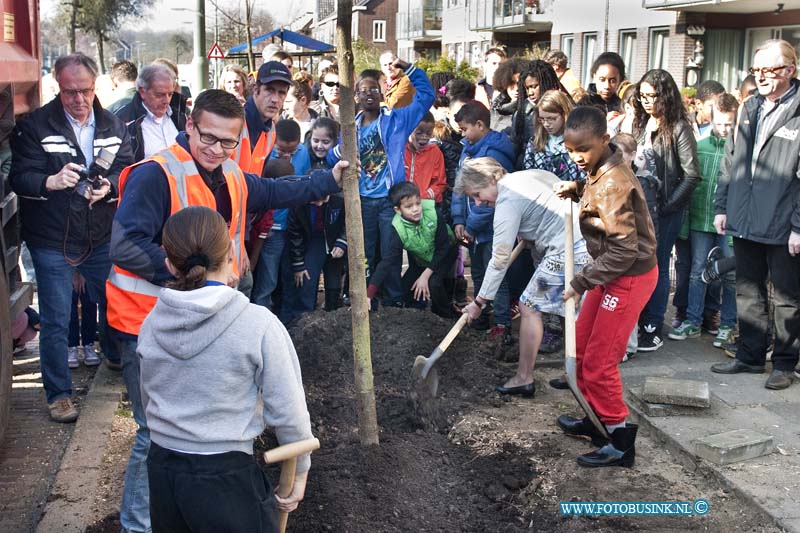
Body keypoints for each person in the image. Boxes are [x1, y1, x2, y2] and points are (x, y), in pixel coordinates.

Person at [106, 89, 347, 533]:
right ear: (191, 126)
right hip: (151, 320)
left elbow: (272, 190)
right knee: (151, 431)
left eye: (228, 142)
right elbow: (123, 245)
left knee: (188, 427)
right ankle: (138, 524)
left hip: (203, 313)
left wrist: (328, 180)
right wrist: (185, 274)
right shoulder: (156, 175)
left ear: (240, 139)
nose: (216, 149)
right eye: (208, 138)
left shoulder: (230, 174)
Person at [139, 206, 314, 532]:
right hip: (225, 480)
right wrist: (300, 472)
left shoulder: (151, 323)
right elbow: (288, 411)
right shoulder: (258, 324)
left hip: (163, 471)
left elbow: (149, 394)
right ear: (232, 253)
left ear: (168, 264)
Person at [9, 52, 132, 423]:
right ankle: (59, 395)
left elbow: (128, 168)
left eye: (85, 91)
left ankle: (113, 356)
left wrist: (108, 187)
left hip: (99, 236)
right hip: (52, 239)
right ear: (57, 87)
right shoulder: (34, 126)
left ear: (98, 87)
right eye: (70, 92)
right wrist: (49, 181)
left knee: (116, 304)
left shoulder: (114, 125)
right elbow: (19, 176)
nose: (79, 100)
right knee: (57, 318)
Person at [554, 105, 657, 468]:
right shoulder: (601, 168)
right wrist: (578, 188)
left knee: (599, 362)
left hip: (628, 276)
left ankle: (619, 438)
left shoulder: (615, 182)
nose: (576, 157)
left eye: (583, 150)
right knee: (580, 347)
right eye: (570, 150)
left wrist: (582, 281)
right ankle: (594, 418)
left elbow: (626, 250)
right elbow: (598, 192)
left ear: (604, 140)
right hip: (610, 271)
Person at [711, 39, 800, 390]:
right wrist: (722, 207)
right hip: (744, 217)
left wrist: (798, 227)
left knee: (786, 297)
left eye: (769, 70)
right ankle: (749, 356)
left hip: (783, 221)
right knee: (747, 289)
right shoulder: (749, 107)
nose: (760, 77)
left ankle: (784, 364)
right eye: (756, 70)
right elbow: (731, 161)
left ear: (790, 71)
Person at [459, 157, 589, 395]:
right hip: (582, 240)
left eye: (477, 194)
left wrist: (480, 302)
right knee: (566, 309)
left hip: (568, 247)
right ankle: (578, 373)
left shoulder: (508, 201)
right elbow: (550, 197)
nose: (478, 202)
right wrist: (533, 229)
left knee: (528, 307)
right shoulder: (526, 176)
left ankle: (524, 377)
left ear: (491, 179)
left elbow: (499, 259)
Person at [328, 59, 434, 307]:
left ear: (384, 91)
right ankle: (366, 301)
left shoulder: (396, 120)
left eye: (374, 89)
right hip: (362, 201)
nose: (368, 95)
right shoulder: (350, 127)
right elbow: (339, 153)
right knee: (364, 254)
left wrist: (409, 69)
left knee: (391, 253)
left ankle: (394, 301)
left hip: (388, 201)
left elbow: (426, 97)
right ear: (355, 95)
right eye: (363, 90)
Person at [632, 69, 700, 352]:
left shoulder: (679, 128)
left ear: (666, 96)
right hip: (642, 205)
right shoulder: (640, 123)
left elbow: (692, 174)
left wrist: (669, 205)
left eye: (652, 96)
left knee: (658, 264)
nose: (647, 101)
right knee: (643, 262)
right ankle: (640, 320)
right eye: (643, 96)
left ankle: (653, 325)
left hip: (667, 209)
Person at [669, 93, 738, 348]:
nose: (723, 129)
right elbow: (692, 186)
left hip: (729, 224)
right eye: (719, 123)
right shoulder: (700, 146)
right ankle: (693, 320)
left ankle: (728, 325)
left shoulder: (740, 150)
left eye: (729, 124)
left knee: (730, 275)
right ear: (712, 118)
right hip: (700, 219)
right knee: (698, 271)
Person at [451, 100, 515, 336]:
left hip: (490, 229)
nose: (463, 135)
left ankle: (502, 323)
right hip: (472, 230)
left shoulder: (495, 154)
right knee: (478, 273)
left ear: (480, 124)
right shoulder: (467, 152)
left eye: (465, 129)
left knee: (496, 275)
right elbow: (461, 188)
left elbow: (493, 199)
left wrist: (472, 226)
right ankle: (481, 316)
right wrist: (459, 219)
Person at [368, 182, 457, 318]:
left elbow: (443, 247)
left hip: (444, 254)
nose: (415, 209)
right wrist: (369, 295)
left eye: (418, 203)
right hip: (421, 260)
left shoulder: (433, 212)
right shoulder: (397, 228)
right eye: (409, 206)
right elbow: (387, 262)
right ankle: (416, 317)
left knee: (434, 284)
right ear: (398, 210)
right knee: (406, 290)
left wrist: (425, 276)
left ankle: (446, 317)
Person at [251, 119, 313, 310]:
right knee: (267, 279)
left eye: (291, 151)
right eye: (281, 151)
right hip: (270, 228)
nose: (286, 156)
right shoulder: (264, 153)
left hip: (294, 228)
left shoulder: (304, 154)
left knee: (289, 278)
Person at [283, 193, 347, 323]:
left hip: (334, 239)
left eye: (324, 199)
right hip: (312, 240)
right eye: (316, 201)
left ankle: (332, 315)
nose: (320, 204)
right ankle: (302, 320)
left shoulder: (340, 199)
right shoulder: (298, 203)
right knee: (307, 278)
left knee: (334, 278)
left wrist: (343, 241)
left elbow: (350, 220)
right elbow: (295, 235)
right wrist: (298, 263)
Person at [115, 64, 188, 162]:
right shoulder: (123, 121)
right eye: (159, 95)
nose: (166, 100)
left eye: (170, 94)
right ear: (142, 91)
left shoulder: (180, 115)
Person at [236, 61, 292, 175]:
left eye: (281, 93)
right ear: (256, 90)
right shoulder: (234, 122)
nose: (275, 99)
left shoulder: (271, 130)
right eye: (270, 90)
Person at [522, 90, 582, 181]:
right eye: (542, 119)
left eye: (551, 119)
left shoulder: (578, 143)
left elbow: (583, 177)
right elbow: (528, 174)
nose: (546, 124)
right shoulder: (535, 142)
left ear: (565, 114)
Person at [404, 111, 447, 203]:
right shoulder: (399, 149)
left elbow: (440, 183)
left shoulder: (435, 152)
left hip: (424, 204)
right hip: (399, 204)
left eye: (429, 133)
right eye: (419, 133)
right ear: (409, 130)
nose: (424, 137)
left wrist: (423, 197)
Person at [67, 272, 100, 368]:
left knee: (89, 300)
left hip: (88, 264)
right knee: (69, 303)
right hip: (65, 264)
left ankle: (89, 344)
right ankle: (71, 346)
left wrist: (83, 273)